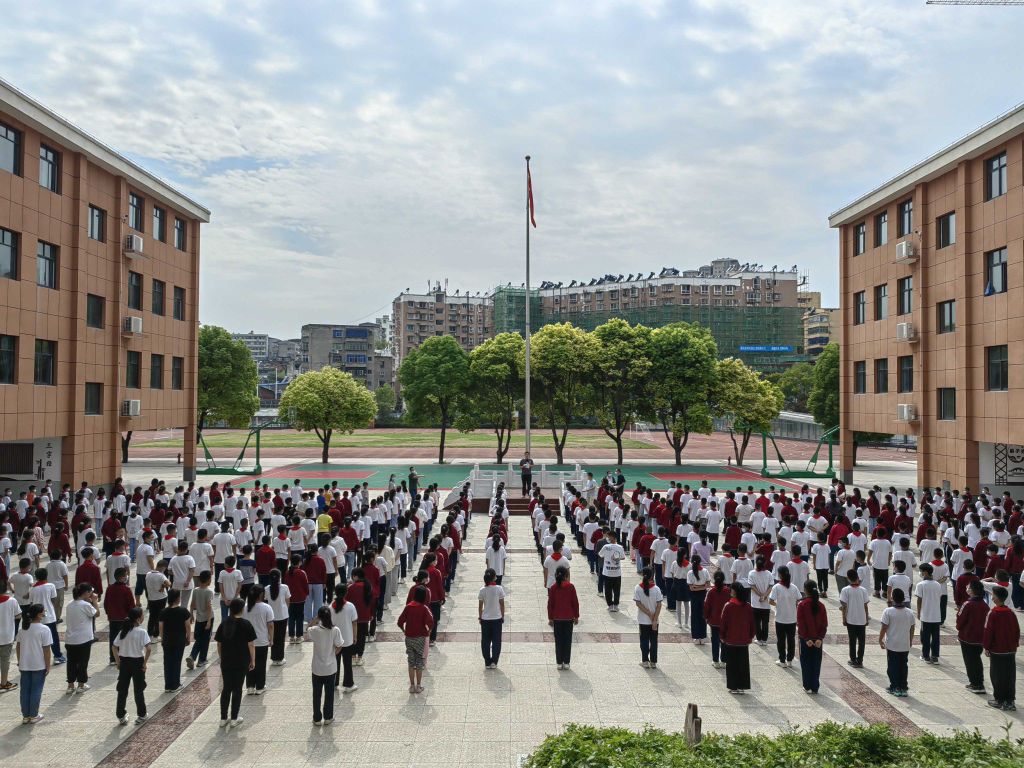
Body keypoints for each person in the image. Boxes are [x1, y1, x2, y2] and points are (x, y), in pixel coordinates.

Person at [215, 597, 256, 727]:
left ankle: (223, 718)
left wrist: (222, 657)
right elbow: (251, 645)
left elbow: (219, 644)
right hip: (241, 660)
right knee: (237, 688)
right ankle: (234, 718)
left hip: (226, 660)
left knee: (226, 688)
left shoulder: (224, 623)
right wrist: (252, 660)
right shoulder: (246, 624)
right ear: (241, 609)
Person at [112, 606, 151, 725]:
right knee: (138, 689)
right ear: (139, 618)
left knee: (122, 689)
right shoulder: (142, 632)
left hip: (124, 663)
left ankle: (121, 715)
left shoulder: (123, 631)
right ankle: (142, 714)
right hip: (137, 662)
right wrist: (144, 663)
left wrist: (118, 662)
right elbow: (148, 649)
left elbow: (114, 646)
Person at [983, 585, 1020, 711]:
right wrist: (1015, 645)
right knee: (1010, 676)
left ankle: (999, 699)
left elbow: (988, 632)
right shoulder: (1011, 613)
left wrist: (986, 647)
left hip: (997, 650)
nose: (991, 597)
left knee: (997, 675)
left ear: (996, 598)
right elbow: (1017, 631)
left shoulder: (993, 613)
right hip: (1010, 650)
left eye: (993, 595)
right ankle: (1010, 701)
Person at [305, 606, 343, 725]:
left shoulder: (315, 630)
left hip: (317, 668)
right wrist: (332, 654)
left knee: (316, 694)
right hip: (330, 668)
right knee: (329, 694)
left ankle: (316, 718)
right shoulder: (335, 630)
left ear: (320, 617)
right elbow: (339, 645)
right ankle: (328, 717)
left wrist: (315, 619)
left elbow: (308, 628)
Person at [16, 604, 51, 724]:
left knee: (25, 690)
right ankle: (34, 715)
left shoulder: (22, 630)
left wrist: (19, 661)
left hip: (24, 664)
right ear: (39, 614)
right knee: (36, 690)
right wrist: (48, 665)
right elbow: (46, 650)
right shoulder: (44, 629)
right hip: (38, 664)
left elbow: (18, 646)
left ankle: (26, 716)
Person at [397, 585, 434, 693]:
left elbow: (400, 621)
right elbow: (431, 622)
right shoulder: (424, 608)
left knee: (410, 662)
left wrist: (404, 631)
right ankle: (418, 686)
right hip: (420, 638)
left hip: (409, 637)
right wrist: (428, 631)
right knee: (419, 663)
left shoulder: (408, 607)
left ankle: (412, 686)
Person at [879, 588, 915, 697]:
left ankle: (894, 686)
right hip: (904, 644)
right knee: (903, 666)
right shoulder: (909, 612)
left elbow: (884, 627)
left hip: (892, 644)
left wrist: (880, 639)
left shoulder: (888, 611)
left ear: (893, 598)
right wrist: (910, 640)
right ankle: (903, 687)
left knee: (892, 666)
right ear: (903, 598)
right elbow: (912, 628)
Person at [720, 582, 755, 693]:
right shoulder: (748, 606)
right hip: (744, 640)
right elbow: (752, 623)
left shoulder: (728, 606)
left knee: (731, 665)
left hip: (731, 639)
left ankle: (733, 686)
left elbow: (723, 623)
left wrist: (722, 636)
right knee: (743, 664)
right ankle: (742, 686)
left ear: (735, 592)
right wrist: (751, 636)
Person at [64, 583, 99, 693]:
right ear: (85, 593)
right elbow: (97, 613)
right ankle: (81, 685)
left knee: (71, 663)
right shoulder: (85, 605)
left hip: (70, 639)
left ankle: (70, 685)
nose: (91, 594)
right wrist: (95, 601)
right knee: (83, 662)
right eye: (90, 592)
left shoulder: (70, 604)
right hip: (83, 639)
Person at [956, 579, 989, 694]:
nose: (967, 588)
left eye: (968, 587)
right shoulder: (985, 605)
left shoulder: (967, 604)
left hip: (967, 637)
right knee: (976, 660)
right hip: (980, 638)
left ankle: (976, 684)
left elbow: (960, 622)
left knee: (970, 661)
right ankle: (978, 682)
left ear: (972, 591)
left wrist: (959, 628)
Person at [796, 581, 827, 694]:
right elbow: (824, 623)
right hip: (818, 640)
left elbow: (801, 623)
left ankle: (807, 685)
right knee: (816, 663)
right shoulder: (821, 605)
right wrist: (820, 638)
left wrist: (806, 638)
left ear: (805, 590)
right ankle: (815, 686)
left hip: (806, 640)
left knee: (806, 662)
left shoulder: (802, 604)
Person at [159, 588, 192, 692]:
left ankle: (167, 685)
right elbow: (188, 626)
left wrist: (162, 638)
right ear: (178, 598)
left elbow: (161, 627)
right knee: (176, 662)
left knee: (167, 662)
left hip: (167, 640)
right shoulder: (183, 611)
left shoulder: (163, 612)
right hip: (179, 640)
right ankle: (175, 684)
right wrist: (188, 637)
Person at [243, 586, 274, 695]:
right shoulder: (266, 607)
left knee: (250, 663)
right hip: (262, 641)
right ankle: (260, 686)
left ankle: (250, 686)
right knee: (261, 664)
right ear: (261, 594)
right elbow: (270, 625)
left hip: (247, 642)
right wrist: (271, 638)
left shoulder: (245, 607)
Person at [547, 567, 580, 670]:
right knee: (567, 640)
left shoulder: (553, 588)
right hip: (568, 618)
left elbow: (550, 604)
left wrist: (550, 618)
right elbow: (575, 602)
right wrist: (576, 616)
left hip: (557, 618)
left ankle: (559, 662)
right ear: (566, 575)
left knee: (559, 640)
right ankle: (566, 662)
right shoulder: (571, 587)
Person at [330, 583, 359, 693]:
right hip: (347, 639)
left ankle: (334, 682)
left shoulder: (330, 607)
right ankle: (348, 684)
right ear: (346, 592)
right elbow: (354, 623)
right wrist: (355, 636)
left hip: (334, 640)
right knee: (347, 663)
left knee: (335, 662)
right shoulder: (350, 606)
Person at [769, 565, 800, 668]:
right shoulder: (794, 587)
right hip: (792, 618)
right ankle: (790, 660)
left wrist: (778, 605)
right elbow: (798, 600)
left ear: (780, 575)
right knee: (791, 640)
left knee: (781, 640)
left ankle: (782, 660)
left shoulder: (776, 587)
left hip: (780, 618)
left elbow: (771, 601)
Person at [839, 569, 870, 667]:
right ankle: (860, 660)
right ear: (857, 577)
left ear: (848, 579)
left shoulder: (845, 590)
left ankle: (853, 659)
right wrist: (866, 617)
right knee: (862, 641)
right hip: (861, 619)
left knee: (852, 640)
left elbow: (844, 606)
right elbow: (866, 605)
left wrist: (843, 618)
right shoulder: (863, 590)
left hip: (851, 619)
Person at [634, 567, 663, 669]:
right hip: (655, 621)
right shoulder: (656, 589)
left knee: (644, 640)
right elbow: (659, 605)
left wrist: (648, 613)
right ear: (652, 576)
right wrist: (654, 619)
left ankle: (645, 661)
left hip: (643, 620)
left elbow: (638, 603)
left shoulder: (638, 588)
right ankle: (653, 662)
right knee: (654, 640)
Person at [914, 562, 943, 663]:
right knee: (935, 637)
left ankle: (925, 655)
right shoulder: (938, 585)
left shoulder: (921, 585)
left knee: (925, 636)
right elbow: (939, 598)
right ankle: (934, 656)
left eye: (921, 571)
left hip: (926, 615)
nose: (921, 573)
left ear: (925, 572)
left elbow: (919, 600)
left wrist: (918, 612)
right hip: (936, 615)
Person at [478, 568, 506, 669]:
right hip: (497, 618)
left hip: (485, 619)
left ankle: (487, 661)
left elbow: (480, 606)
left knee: (485, 641)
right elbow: (502, 604)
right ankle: (494, 661)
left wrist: (480, 617)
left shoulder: (482, 590)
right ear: (494, 577)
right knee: (496, 641)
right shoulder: (499, 589)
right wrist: (502, 615)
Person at [0, 578, 22, 692]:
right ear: (6, 588)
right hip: (7, 635)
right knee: (5, 660)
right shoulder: (12, 601)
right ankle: (3, 683)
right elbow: (18, 616)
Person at [704, 571, 730, 665]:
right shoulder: (728, 591)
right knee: (724, 640)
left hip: (714, 620)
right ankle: (724, 660)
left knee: (714, 640)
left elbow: (707, 606)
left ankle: (715, 661)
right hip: (725, 621)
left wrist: (706, 617)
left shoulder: (711, 592)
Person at [266, 569, 291, 666]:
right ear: (280, 577)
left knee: (273, 637)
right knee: (281, 638)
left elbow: (266, 601)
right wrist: (285, 610)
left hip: (271, 617)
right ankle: (280, 658)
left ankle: (274, 658)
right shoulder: (284, 587)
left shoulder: (267, 588)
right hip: (283, 616)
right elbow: (288, 601)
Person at [598, 530, 625, 611]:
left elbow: (600, 555)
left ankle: (610, 605)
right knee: (616, 590)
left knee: (608, 590)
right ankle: (615, 605)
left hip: (608, 572)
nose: (607, 538)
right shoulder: (619, 547)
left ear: (613, 537)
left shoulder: (606, 547)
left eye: (608, 536)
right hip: (615, 572)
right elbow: (623, 557)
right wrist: (617, 558)